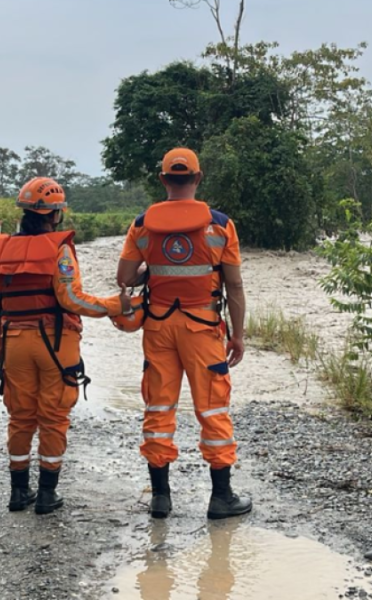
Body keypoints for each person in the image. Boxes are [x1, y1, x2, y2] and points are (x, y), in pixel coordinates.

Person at [116, 148, 251, 520]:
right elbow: (235, 287)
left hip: (158, 326)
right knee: (212, 408)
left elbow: (125, 279)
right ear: (198, 177)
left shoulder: (142, 225)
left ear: (162, 179)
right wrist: (237, 336)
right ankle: (221, 498)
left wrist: (151, 273)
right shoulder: (220, 225)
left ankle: (161, 498)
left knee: (158, 407)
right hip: (204, 329)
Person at [0, 177, 132, 515]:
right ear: (55, 214)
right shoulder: (59, 248)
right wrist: (114, 306)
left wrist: (1, 343)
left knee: (21, 416)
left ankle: (19, 493)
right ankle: (48, 496)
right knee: (53, 416)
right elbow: (72, 298)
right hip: (55, 342)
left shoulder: (1, 249)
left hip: (13, 341)